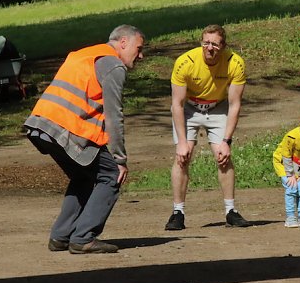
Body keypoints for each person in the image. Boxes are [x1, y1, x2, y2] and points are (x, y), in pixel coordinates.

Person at [24, 25, 145, 254]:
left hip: (40, 124)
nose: (141, 55)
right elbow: (114, 115)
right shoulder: (113, 65)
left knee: (83, 176)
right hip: (67, 128)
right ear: (122, 42)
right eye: (138, 48)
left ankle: (61, 236)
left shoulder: (86, 53)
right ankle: (83, 238)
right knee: (111, 174)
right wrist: (120, 158)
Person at [166, 24, 249, 231]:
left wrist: (226, 141)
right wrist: (182, 142)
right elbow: (176, 104)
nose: (209, 48)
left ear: (223, 46)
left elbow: (235, 104)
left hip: (217, 107)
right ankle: (178, 212)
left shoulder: (235, 63)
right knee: (182, 157)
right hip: (189, 108)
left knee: (223, 157)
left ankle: (230, 210)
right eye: (206, 43)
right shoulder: (185, 62)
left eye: (214, 44)